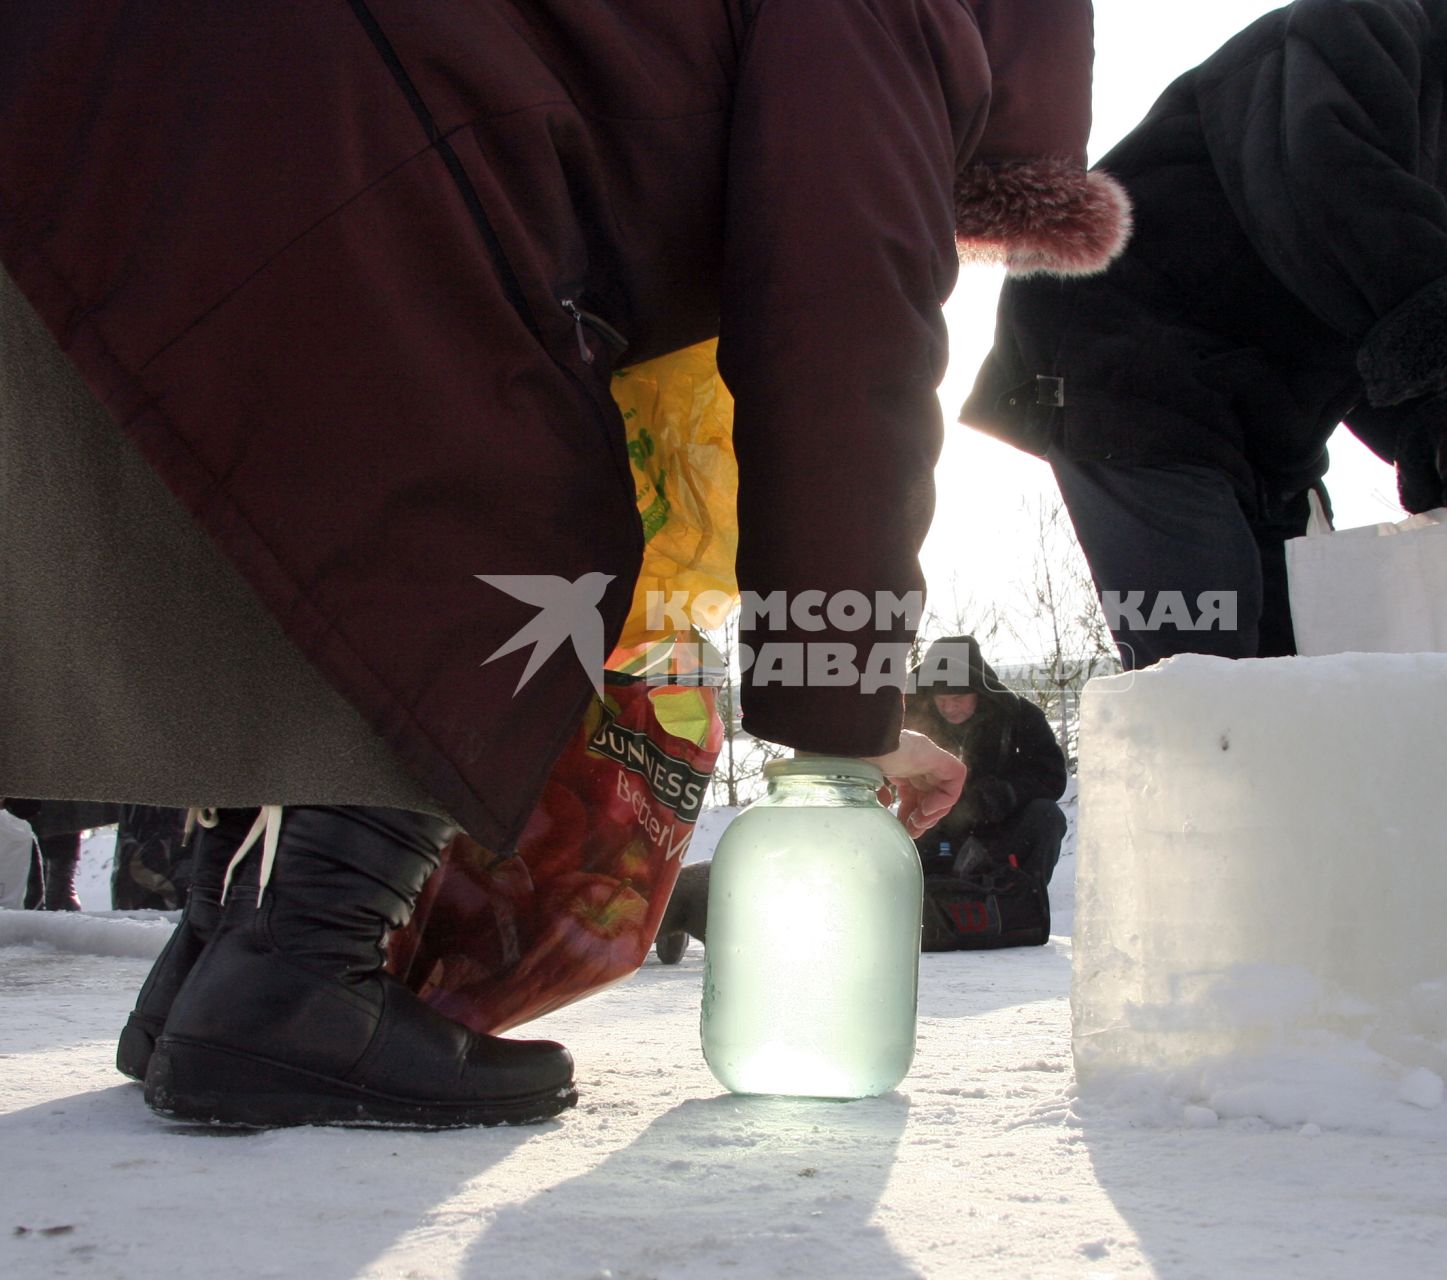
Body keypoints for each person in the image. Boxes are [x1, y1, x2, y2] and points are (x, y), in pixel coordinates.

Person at [0, 2, 1131, 1128]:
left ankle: (223, 949)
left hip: (103, 85)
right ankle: (300, 969)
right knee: (520, 513)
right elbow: (844, 349)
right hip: (328, 115)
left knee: (305, 497)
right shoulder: (897, 17)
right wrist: (842, 707)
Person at [961, 0, 1447, 668]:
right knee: (1209, 669)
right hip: (1126, 373)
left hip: (1265, 440)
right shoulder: (1367, 27)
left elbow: (1391, 337)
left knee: (1301, 674)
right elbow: (1329, 187)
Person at [906, 636, 1068, 886]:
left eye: (957, 699)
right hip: (938, 830)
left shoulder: (1018, 715)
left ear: (978, 689)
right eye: (941, 700)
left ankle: (1023, 904)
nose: (949, 708)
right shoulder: (917, 723)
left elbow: (1051, 775)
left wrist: (1004, 793)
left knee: (1047, 816)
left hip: (1003, 829)